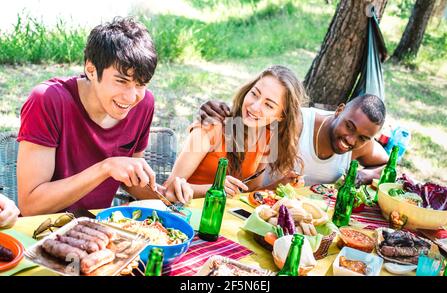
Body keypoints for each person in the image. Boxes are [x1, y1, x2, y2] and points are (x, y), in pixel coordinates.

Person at [17, 17, 192, 216]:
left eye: (141, 84)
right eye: (121, 81)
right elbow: (30, 205)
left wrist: (164, 194)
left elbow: (131, 181)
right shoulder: (48, 100)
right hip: (41, 231)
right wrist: (106, 168)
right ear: (91, 70)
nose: (131, 96)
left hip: (99, 228)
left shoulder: (143, 104)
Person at [164, 65, 307, 203]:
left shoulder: (268, 136)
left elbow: (248, 193)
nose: (255, 106)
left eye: (268, 105)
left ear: (281, 116)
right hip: (185, 212)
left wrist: (276, 186)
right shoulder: (212, 126)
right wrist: (215, 188)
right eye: (254, 94)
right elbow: (168, 190)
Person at [199, 94, 388, 187]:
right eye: (349, 126)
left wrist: (365, 176)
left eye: (363, 137)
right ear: (339, 110)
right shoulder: (296, 123)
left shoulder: (361, 145)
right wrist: (215, 109)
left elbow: (389, 165)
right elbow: (248, 119)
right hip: (256, 204)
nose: (351, 140)